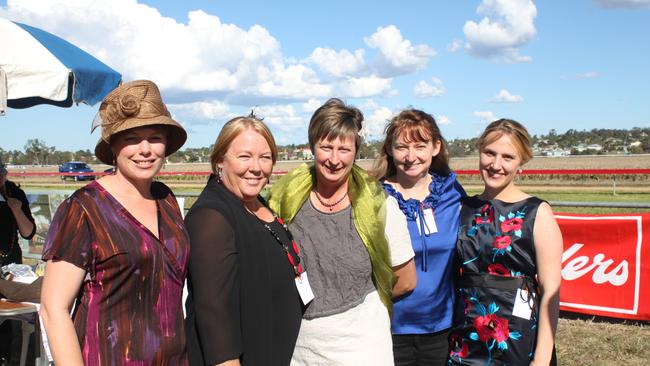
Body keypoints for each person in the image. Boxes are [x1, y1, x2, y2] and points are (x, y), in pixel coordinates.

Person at [40, 80, 189, 365]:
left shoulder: (166, 200)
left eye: (155, 137)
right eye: (131, 138)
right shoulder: (84, 208)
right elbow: (53, 308)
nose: (145, 149)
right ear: (114, 146)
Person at [268, 98, 415, 365]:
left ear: (356, 151)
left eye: (344, 149)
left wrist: (354, 304)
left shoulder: (380, 207)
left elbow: (405, 281)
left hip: (362, 347)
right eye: (326, 147)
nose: (334, 159)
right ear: (312, 147)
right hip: (300, 347)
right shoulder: (284, 201)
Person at [184, 115, 302, 366]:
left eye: (265, 157)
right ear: (219, 161)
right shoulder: (211, 217)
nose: (256, 167)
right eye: (245, 156)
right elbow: (214, 317)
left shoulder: (256, 203)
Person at [448, 119, 562, 365]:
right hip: (465, 339)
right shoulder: (463, 208)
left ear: (521, 163)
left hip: (517, 341)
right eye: (490, 153)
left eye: (508, 157)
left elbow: (551, 291)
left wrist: (541, 358)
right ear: (479, 151)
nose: (496, 165)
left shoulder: (537, 212)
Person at [373, 109, 465, 366]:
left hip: (442, 330)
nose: (410, 156)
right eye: (402, 147)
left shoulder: (451, 191)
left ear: (436, 147)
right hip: (389, 328)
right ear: (390, 150)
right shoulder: (374, 198)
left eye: (420, 146)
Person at [0, 157, 36, 364]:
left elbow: (28, 232)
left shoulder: (15, 194)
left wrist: (16, 209)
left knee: (8, 322)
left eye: (2, 172)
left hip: (10, 267)